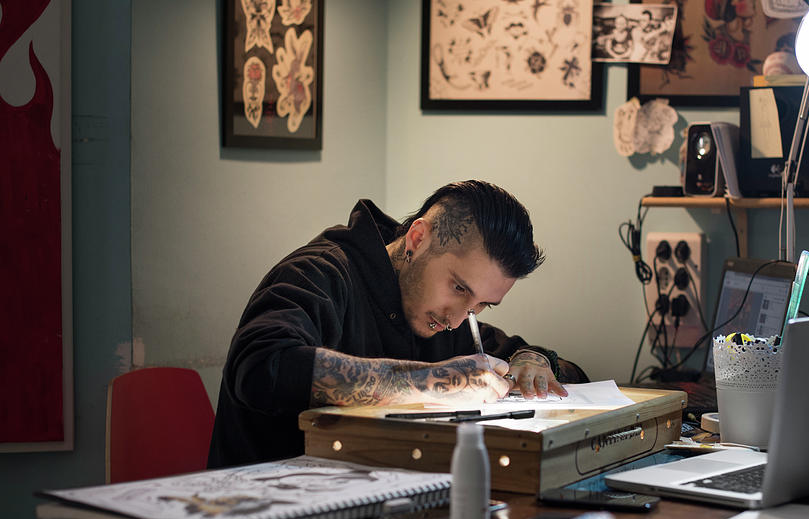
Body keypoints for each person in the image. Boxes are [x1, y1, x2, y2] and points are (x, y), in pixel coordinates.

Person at [208, 180, 587, 468]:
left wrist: (533, 359)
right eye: (457, 287)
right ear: (418, 239)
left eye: (482, 305)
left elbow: (531, 360)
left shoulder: (445, 320)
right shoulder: (318, 274)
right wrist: (434, 382)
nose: (457, 319)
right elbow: (262, 367)